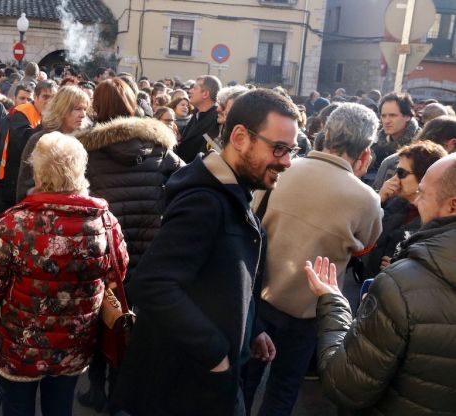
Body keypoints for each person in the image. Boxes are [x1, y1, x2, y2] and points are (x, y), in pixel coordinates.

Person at [112, 89, 300, 415]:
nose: (286, 161)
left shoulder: (231, 189)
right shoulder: (205, 201)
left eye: (291, 150)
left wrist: (251, 330)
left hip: (206, 381)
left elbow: (224, 278)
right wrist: (215, 353)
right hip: (188, 389)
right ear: (240, 137)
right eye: (279, 148)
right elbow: (153, 284)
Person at [0, 132, 128, 416]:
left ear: (39, 171)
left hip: (20, 344)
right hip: (75, 341)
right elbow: (117, 273)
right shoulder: (105, 222)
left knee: (17, 408)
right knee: (60, 408)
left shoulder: (15, 223)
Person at [244, 103, 384, 415]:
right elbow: (364, 249)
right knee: (284, 387)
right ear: (366, 150)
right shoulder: (366, 199)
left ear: (327, 134)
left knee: (245, 380)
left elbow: (253, 216)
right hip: (309, 309)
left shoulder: (284, 167)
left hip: (259, 294)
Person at [304, 154, 456, 414]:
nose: (417, 200)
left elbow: (345, 385)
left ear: (452, 206)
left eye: (423, 193)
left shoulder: (403, 285)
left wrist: (333, 304)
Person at [75, 77, 184, 412]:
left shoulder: (85, 152)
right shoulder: (161, 150)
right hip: (148, 255)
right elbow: (186, 185)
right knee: (132, 327)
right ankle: (120, 397)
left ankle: (96, 390)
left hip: (102, 254)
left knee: (100, 322)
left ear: (97, 108)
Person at [364, 141, 447, 277]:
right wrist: (379, 200)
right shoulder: (395, 202)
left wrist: (402, 269)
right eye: (396, 171)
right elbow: (364, 235)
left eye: (401, 173)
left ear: (423, 177)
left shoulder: (437, 217)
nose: (394, 178)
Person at [0, 80, 57, 216]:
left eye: (53, 98)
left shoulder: (40, 114)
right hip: (10, 181)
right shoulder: (22, 113)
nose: (49, 101)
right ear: (36, 97)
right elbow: (25, 143)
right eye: (45, 97)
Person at [15, 85, 90, 201]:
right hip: (43, 212)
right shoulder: (39, 139)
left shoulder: (84, 140)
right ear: (63, 109)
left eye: (85, 109)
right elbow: (24, 187)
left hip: (77, 212)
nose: (83, 114)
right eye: (78, 109)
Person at [369, 92, 421, 186]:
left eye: (393, 115)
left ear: (407, 116)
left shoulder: (420, 147)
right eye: (383, 116)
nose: (387, 121)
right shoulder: (374, 144)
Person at [176, 75, 221, 162]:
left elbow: (209, 155)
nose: (190, 91)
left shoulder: (217, 119)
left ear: (205, 94)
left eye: (195, 88)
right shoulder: (196, 114)